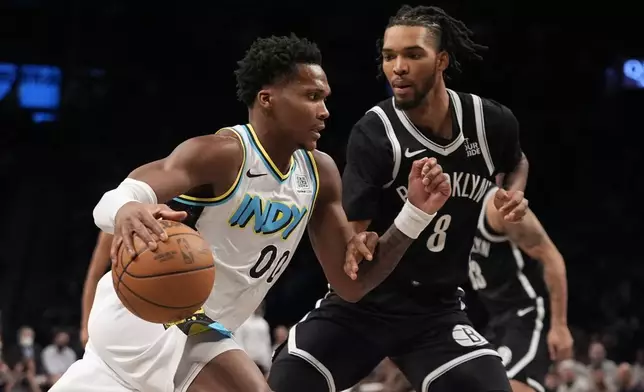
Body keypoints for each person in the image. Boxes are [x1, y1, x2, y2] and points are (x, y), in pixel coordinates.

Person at [50, 34, 452, 392]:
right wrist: (126, 210)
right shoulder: (221, 154)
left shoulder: (320, 174)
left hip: (197, 325)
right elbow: (122, 194)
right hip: (147, 313)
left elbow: (352, 284)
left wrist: (413, 214)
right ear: (268, 100)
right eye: (312, 97)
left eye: (325, 98)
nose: (325, 111)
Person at [268, 6, 530, 392]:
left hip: (437, 310)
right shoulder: (375, 132)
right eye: (389, 56)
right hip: (366, 306)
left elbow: (517, 159)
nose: (398, 67)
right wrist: (359, 242)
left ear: (441, 60)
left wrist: (515, 191)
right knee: (290, 378)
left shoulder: (491, 121)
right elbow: (352, 238)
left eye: (412, 54)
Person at [469, 184, 573, 392]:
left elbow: (551, 257)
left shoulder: (496, 207)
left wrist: (560, 325)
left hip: (528, 313)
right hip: (495, 320)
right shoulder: (454, 215)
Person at [80, 232, 112, 347]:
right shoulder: (113, 227)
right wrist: (85, 326)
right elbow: (94, 277)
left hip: (159, 311)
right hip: (120, 307)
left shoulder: (169, 221)